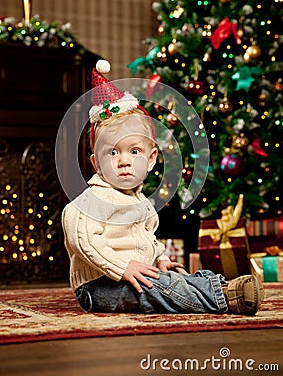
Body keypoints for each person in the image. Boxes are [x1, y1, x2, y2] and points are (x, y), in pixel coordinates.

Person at [62, 60, 264, 315]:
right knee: (159, 289)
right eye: (112, 152)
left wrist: (160, 258)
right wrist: (123, 268)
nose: (124, 160)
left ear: (151, 158)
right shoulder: (92, 200)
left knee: (168, 281)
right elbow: (84, 241)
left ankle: (218, 287)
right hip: (99, 285)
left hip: (133, 276)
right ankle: (222, 296)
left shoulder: (141, 202)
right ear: (96, 163)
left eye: (134, 151)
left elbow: (146, 240)